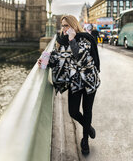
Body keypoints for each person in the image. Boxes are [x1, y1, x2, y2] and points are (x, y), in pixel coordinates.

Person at [38, 15, 101, 155]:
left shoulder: (85, 38)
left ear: (73, 25)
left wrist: (73, 40)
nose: (64, 28)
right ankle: (88, 128)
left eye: (66, 25)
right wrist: (45, 60)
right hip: (75, 82)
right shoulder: (61, 41)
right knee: (73, 111)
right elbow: (59, 58)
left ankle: (85, 141)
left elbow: (82, 58)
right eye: (62, 26)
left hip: (89, 81)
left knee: (87, 110)